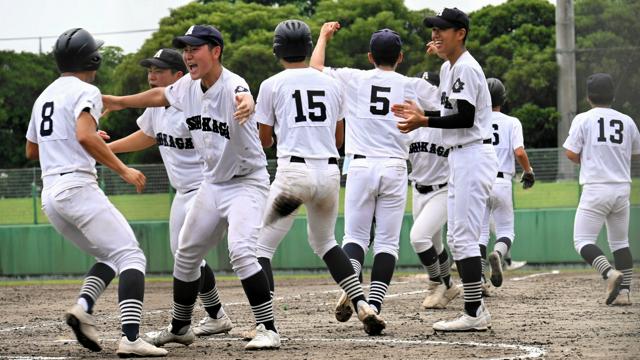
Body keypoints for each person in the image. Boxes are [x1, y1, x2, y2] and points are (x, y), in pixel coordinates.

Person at [102, 25, 280, 350]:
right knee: (185, 255)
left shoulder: (232, 84)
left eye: (195, 48)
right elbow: (159, 96)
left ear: (216, 51)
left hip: (246, 183)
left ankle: (268, 328)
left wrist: (247, 103)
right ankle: (180, 326)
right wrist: (118, 101)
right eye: (185, 48)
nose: (188, 54)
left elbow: (244, 94)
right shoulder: (187, 86)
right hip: (212, 184)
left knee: (241, 251)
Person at [24, 28, 167, 357]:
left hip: (52, 195)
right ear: (93, 59)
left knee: (110, 256)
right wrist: (123, 169)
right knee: (132, 256)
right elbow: (85, 137)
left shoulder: (44, 95)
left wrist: (82, 137)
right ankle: (131, 339)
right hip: (76, 186)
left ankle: (83, 307)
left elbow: (33, 150)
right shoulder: (87, 89)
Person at [254, 19, 386, 336]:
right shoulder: (331, 84)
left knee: (260, 249)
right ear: (307, 47)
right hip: (328, 172)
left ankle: (264, 323)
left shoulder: (271, 84)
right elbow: (339, 138)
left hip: (293, 174)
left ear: (278, 50)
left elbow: (265, 140)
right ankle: (362, 303)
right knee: (326, 242)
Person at [106, 48, 233, 336]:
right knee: (184, 258)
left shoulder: (194, 103)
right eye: (150, 69)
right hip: (181, 192)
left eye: (159, 70)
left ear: (180, 75)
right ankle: (216, 316)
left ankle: (189, 323)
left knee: (190, 256)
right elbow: (147, 136)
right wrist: (106, 149)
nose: (151, 75)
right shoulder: (155, 107)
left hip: (206, 188)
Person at [392, 8, 498, 332]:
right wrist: (424, 112)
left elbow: (465, 117)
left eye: (443, 29)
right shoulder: (449, 67)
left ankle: (474, 313)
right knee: (457, 236)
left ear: (460, 33)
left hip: (472, 153)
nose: (436, 34)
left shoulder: (465, 67)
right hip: (461, 155)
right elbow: (449, 110)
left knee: (463, 237)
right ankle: (474, 309)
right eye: (434, 29)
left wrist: (424, 119)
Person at [310, 22, 417, 324]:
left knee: (355, 236)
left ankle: (353, 286)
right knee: (387, 243)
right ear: (401, 57)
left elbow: (315, 67)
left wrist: (323, 36)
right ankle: (376, 306)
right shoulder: (411, 86)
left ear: (370, 56)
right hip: (395, 165)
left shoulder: (353, 78)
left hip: (359, 164)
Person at [563, 73, 639, 306]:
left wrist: (589, 159)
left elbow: (571, 153)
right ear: (613, 96)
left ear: (588, 97)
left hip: (596, 187)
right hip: (622, 188)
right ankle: (625, 293)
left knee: (582, 240)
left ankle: (609, 273)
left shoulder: (583, 119)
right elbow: (636, 154)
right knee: (620, 242)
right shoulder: (626, 121)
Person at [406, 72, 461, 309]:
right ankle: (449, 286)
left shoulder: (444, 125)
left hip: (443, 190)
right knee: (435, 247)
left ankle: (435, 283)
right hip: (418, 190)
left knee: (418, 238)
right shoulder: (409, 126)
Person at [479, 78, 534, 292]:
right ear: (503, 98)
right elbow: (519, 152)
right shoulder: (512, 122)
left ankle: (480, 280)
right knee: (506, 231)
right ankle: (499, 254)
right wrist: (528, 171)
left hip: (480, 180)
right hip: (502, 181)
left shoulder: (476, 120)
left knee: (481, 233)